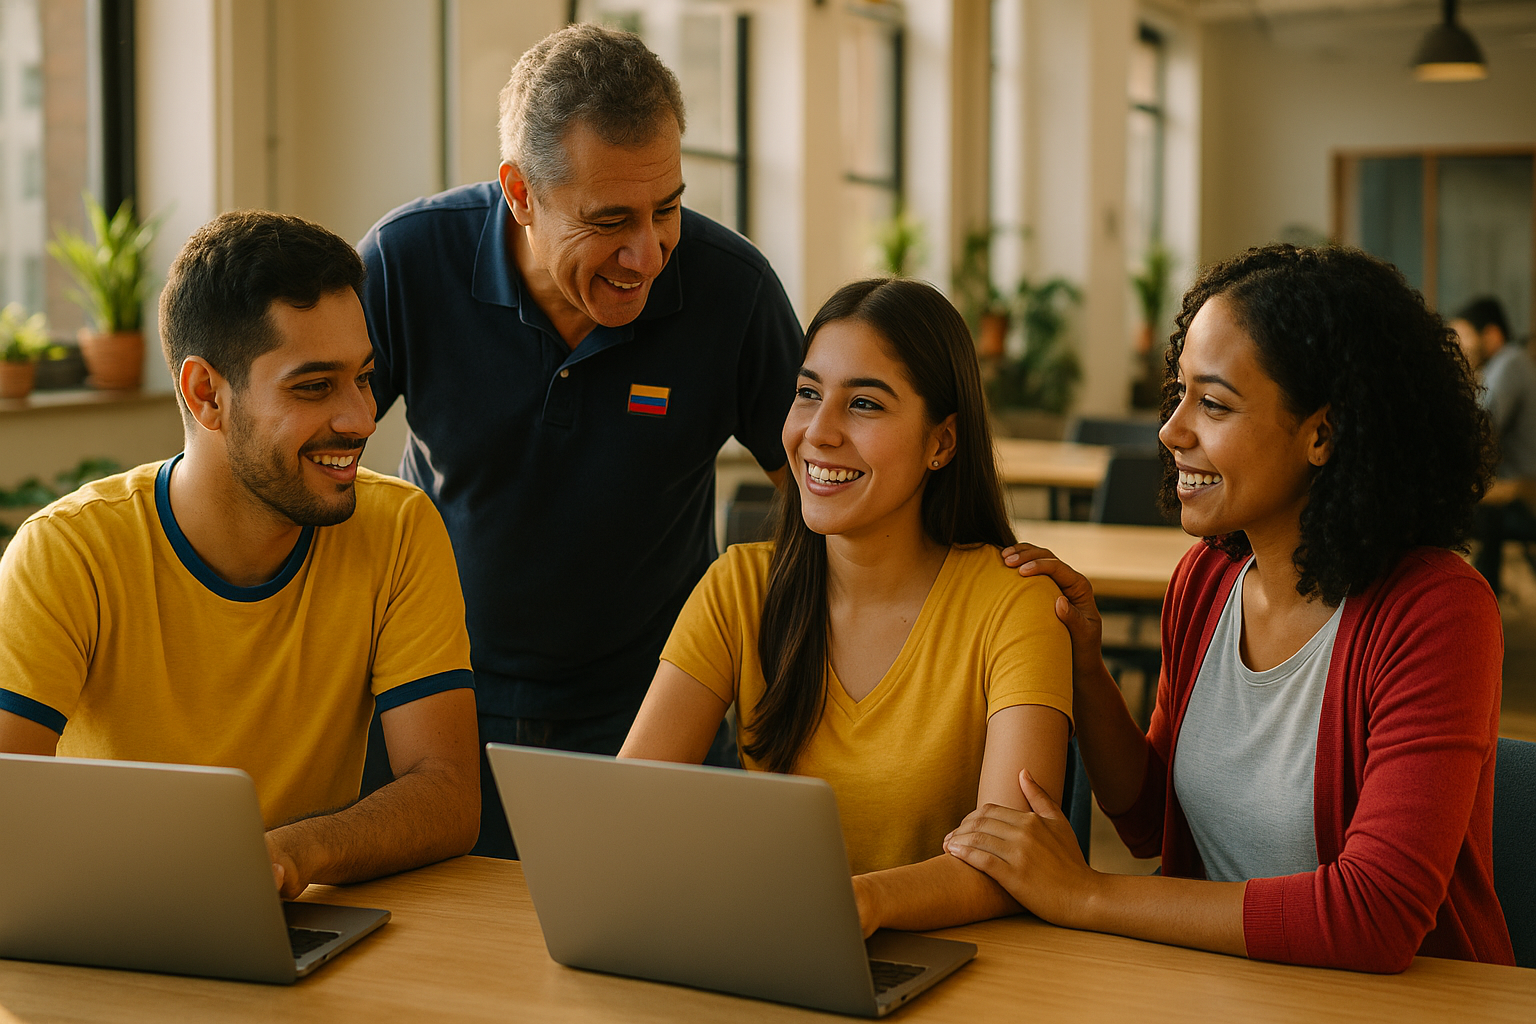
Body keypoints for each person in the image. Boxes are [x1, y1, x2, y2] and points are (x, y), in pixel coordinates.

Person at [944, 244, 1515, 972]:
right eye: (1179, 392)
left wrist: (1087, 894)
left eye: (1213, 404)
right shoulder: (1207, 580)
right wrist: (1085, 665)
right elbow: (1152, 819)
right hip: (1216, 988)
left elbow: (1375, 916)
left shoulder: (1437, 612)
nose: (1171, 430)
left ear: (1322, 434)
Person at [357, 23, 802, 858]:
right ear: (520, 194)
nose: (648, 254)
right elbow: (313, 452)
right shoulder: (408, 261)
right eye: (610, 221)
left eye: (667, 208)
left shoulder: (731, 289)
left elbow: (824, 490)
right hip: (439, 704)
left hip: (655, 712)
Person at [0, 211, 480, 897]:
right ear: (207, 394)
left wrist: (288, 857)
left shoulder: (399, 528)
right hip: (109, 916)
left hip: (299, 918)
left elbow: (448, 794)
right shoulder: (68, 552)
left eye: (364, 377)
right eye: (314, 386)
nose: (362, 418)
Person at [619, 277, 1072, 936]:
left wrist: (863, 901)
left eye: (864, 404)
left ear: (942, 442)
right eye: (807, 394)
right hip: (774, 945)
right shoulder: (739, 586)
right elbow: (628, 808)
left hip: (961, 966)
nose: (818, 432)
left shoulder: (1016, 604)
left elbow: (1014, 863)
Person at [1452, 296, 1536, 594]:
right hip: (1513, 492)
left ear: (1492, 335)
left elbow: (1476, 429)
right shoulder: (1507, 363)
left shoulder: (1510, 362)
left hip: (1524, 495)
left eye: (1464, 336)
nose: (1459, 346)